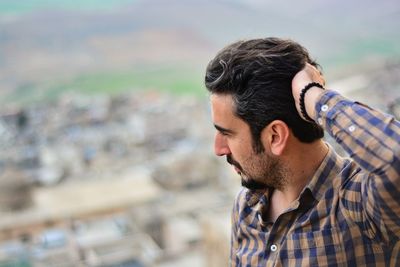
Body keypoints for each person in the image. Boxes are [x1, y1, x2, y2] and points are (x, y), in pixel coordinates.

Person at [204, 37, 400, 266]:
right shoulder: (247, 208)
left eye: (227, 134)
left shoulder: (359, 204)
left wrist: (313, 95)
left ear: (275, 136)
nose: (218, 149)